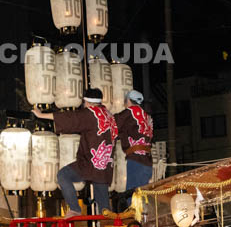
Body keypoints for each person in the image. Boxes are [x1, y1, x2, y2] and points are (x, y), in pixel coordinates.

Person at [33, 87, 118, 215]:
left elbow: (71, 118)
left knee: (63, 175)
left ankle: (74, 209)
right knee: (104, 209)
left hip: (91, 162)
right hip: (104, 165)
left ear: (87, 102)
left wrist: (41, 115)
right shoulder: (109, 115)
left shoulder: (91, 113)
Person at [113, 90, 154, 207]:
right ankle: (144, 222)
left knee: (132, 197)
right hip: (147, 161)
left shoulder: (130, 112)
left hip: (136, 159)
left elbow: (112, 123)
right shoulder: (146, 116)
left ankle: (136, 223)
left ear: (128, 100)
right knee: (143, 197)